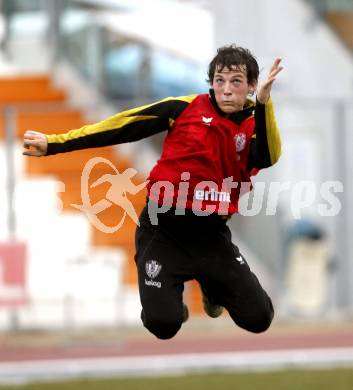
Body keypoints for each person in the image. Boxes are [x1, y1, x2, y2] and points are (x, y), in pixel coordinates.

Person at [23, 44, 283, 340]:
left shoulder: (255, 122)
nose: (226, 89)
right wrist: (56, 143)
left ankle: (213, 289)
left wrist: (265, 103)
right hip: (163, 230)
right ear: (210, 83)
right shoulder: (182, 108)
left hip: (211, 237)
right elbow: (120, 126)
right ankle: (174, 304)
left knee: (259, 318)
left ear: (251, 86)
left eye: (236, 82)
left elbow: (268, 157)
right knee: (163, 324)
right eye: (219, 80)